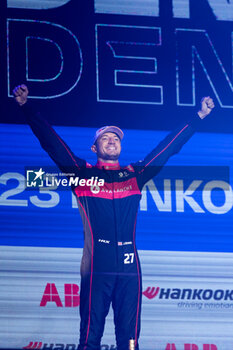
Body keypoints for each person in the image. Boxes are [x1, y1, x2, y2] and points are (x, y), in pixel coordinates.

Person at [13, 84, 214, 350]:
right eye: (105, 138)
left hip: (130, 269)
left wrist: (197, 117)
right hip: (97, 266)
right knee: (90, 339)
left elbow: (168, 148)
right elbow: (52, 143)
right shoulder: (81, 174)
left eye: (116, 138)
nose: (112, 140)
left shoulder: (135, 175)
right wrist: (27, 107)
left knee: (129, 341)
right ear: (94, 148)